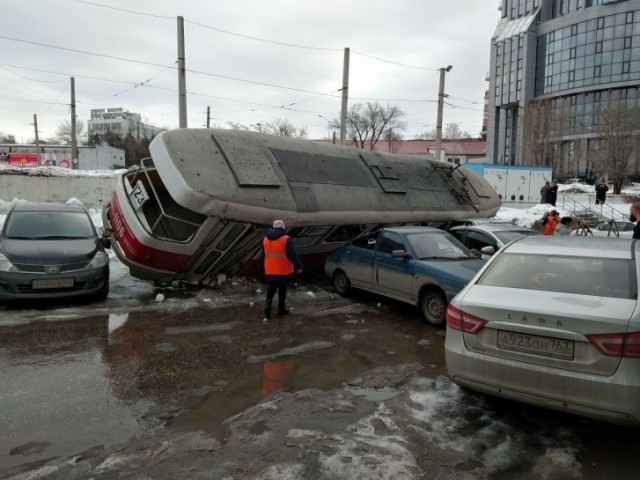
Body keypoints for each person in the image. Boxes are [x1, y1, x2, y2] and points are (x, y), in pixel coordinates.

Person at [261, 219, 303, 318]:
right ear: (283, 227)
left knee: (271, 288)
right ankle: (281, 309)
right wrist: (299, 266)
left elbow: (263, 255)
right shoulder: (286, 239)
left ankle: (267, 306)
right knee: (282, 289)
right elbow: (292, 255)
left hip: (270, 269)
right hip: (283, 270)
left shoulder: (265, 239)